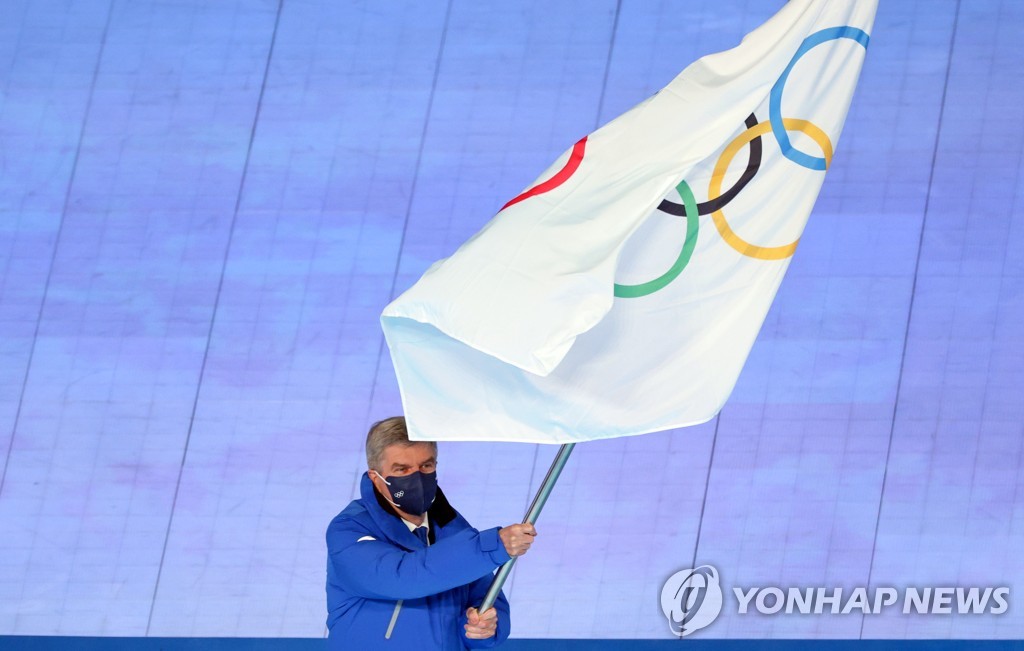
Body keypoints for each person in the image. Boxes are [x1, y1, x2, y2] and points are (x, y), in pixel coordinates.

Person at [326, 416, 537, 649]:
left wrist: (484, 627)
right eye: (402, 469)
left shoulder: (456, 530)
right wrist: (492, 545)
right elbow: (404, 577)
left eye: (426, 466)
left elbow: (487, 600)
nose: (416, 478)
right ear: (376, 479)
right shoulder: (349, 529)